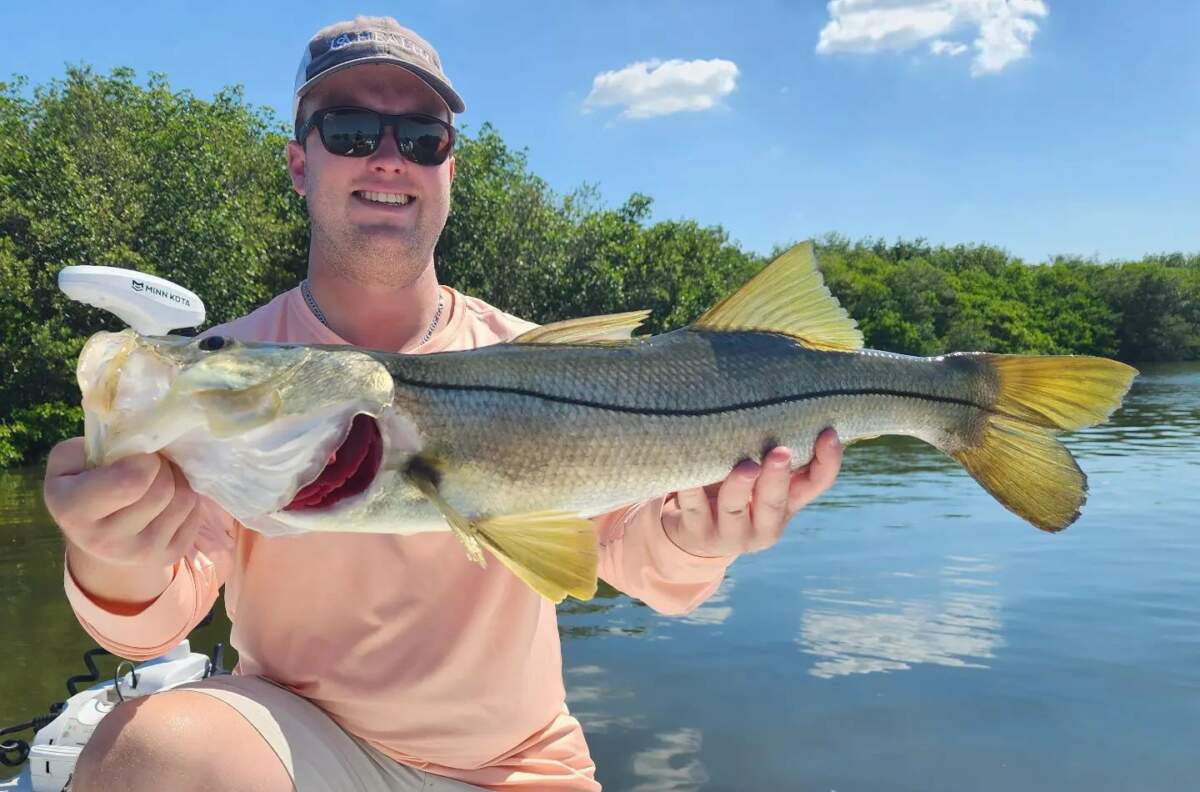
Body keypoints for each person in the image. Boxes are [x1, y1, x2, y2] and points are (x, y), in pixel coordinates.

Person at [42, 16, 843, 792]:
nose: (389, 159)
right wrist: (112, 548)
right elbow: (149, 626)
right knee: (150, 751)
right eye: (351, 130)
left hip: (521, 766)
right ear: (298, 164)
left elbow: (640, 560)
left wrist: (705, 536)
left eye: (422, 139)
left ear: (449, 172)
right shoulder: (234, 369)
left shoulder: (545, 359)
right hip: (297, 747)